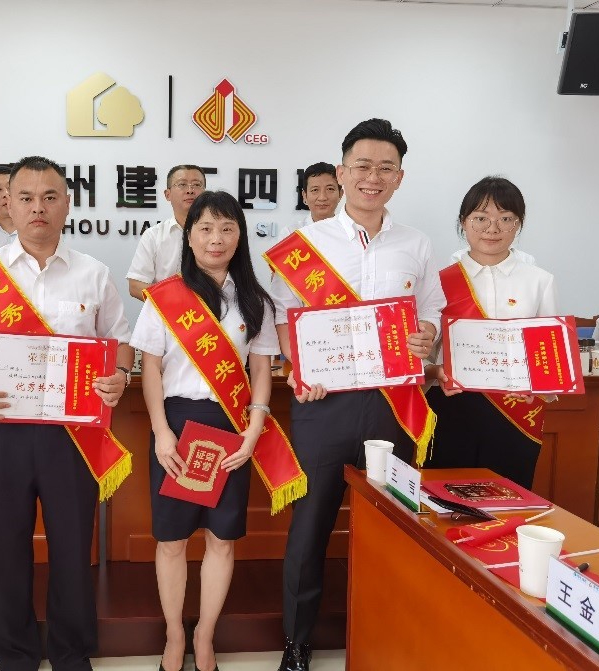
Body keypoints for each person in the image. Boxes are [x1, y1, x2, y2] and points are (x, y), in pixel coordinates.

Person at [0, 156, 135, 671]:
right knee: (6, 546)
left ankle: (71, 652)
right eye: (26, 197)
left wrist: (119, 374)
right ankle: (15, 653)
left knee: (72, 545)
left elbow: (121, 341)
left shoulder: (93, 273)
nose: (38, 207)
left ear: (67, 204)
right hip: (1, 428)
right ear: (9, 202)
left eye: (50, 197)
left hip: (72, 434)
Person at [267, 119, 444, 671]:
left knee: (394, 523)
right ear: (342, 173)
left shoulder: (417, 244)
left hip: (393, 404)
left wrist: (427, 334)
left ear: (399, 178)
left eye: (385, 168)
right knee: (311, 524)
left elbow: (431, 312)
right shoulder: (303, 247)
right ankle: (297, 642)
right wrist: (299, 365)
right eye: (362, 166)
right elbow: (282, 319)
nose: (373, 177)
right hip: (324, 403)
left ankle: (386, 632)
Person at [132, 191, 280, 671]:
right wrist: (161, 432)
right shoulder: (165, 296)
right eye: (206, 228)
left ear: (240, 236)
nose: (216, 238)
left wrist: (254, 430)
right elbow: (150, 370)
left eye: (227, 228)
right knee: (172, 540)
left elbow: (261, 370)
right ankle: (174, 633)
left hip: (232, 426)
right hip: (176, 426)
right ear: (189, 236)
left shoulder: (255, 301)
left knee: (221, 538)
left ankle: (205, 635)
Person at [424, 177, 557, 489]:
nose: (492, 229)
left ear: (519, 223)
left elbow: (550, 358)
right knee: (445, 499)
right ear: (463, 222)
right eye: (481, 218)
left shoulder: (540, 281)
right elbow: (422, 354)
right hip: (452, 407)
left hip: (515, 411)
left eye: (505, 219)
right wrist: (434, 371)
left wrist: (538, 384)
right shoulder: (438, 281)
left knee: (506, 500)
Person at [126, 164, 206, 301]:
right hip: (166, 312)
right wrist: (172, 302)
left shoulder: (218, 236)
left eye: (196, 185)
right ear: (167, 194)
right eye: (182, 184)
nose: (190, 190)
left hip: (212, 311)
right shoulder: (153, 236)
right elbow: (136, 285)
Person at [297, 162, 343, 226]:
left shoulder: (350, 230)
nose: (322, 198)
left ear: (340, 194)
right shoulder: (292, 231)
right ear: (305, 196)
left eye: (330, 189)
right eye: (315, 190)